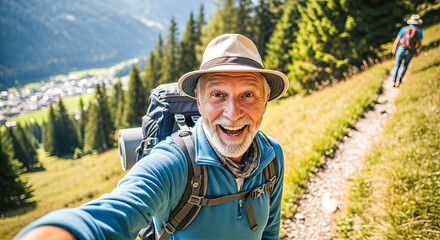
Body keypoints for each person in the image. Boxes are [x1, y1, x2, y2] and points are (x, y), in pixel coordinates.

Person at [16, 34, 288, 240]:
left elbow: (270, 234)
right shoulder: (175, 163)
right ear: (199, 100)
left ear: (265, 103)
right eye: (217, 94)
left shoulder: (272, 156)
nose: (233, 112)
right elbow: (110, 215)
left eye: (248, 95)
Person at [391, 14, 423, 87]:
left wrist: (394, 48)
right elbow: (420, 43)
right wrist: (418, 51)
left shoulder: (404, 29)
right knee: (405, 65)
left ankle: (393, 81)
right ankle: (400, 80)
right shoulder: (419, 31)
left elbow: (397, 40)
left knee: (397, 65)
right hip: (411, 51)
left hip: (401, 49)